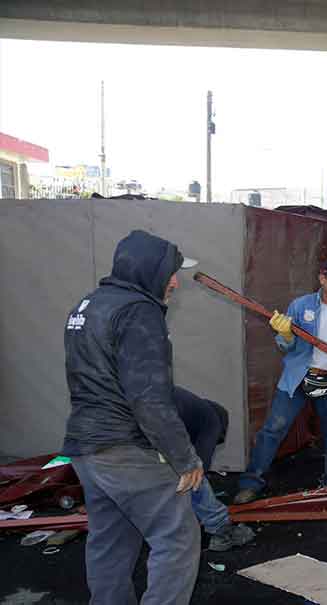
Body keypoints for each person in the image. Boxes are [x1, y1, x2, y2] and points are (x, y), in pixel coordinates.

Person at [63, 229, 204, 605]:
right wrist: (184, 457)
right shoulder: (139, 312)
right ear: (149, 270)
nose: (175, 281)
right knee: (177, 537)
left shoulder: (89, 304)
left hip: (84, 448)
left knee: (111, 540)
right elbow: (149, 397)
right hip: (122, 448)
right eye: (171, 271)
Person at [233, 258, 327, 504]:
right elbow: (287, 346)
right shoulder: (301, 305)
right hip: (298, 378)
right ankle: (251, 483)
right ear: (322, 278)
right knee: (272, 430)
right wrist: (284, 333)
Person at [173, 387, 255, 551]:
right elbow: (198, 469)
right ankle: (221, 528)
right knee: (194, 475)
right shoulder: (211, 422)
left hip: (125, 421)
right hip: (154, 417)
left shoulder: (191, 409)